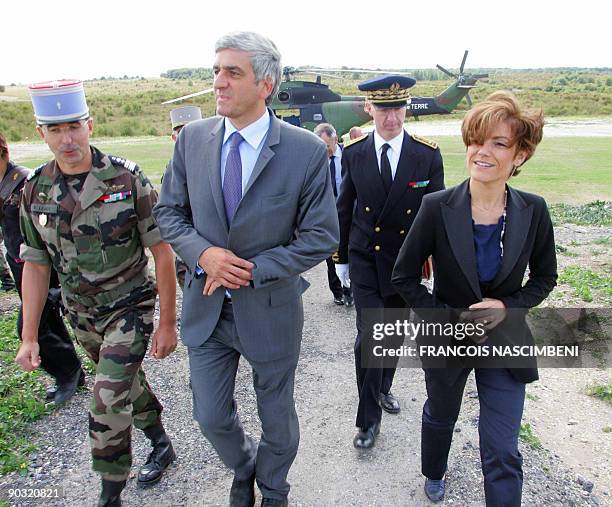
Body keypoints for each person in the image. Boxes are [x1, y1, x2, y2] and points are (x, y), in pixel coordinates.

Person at [154, 31, 339, 506]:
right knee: (209, 416)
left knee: (278, 419)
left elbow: (321, 237)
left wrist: (252, 269)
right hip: (207, 309)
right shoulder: (192, 139)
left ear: (266, 84)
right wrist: (203, 253)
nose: (218, 82)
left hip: (271, 308)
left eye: (232, 72)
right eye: (216, 70)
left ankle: (274, 488)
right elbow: (169, 213)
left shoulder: (305, 151)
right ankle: (244, 466)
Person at [15, 80, 178, 506]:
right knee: (125, 384)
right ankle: (161, 442)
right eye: (55, 129)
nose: (66, 139)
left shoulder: (125, 178)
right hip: (81, 315)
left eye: (74, 126)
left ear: (90, 124)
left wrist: (166, 323)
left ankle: (110, 495)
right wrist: (29, 336)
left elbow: (161, 252)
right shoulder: (35, 190)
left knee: (105, 399)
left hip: (130, 306)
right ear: (41, 134)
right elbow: (35, 264)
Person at [391, 91, 557, 505]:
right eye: (476, 141)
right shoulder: (436, 207)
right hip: (447, 337)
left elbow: (545, 278)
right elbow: (404, 276)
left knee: (502, 448)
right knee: (441, 415)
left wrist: (507, 307)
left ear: (520, 155)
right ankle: (434, 470)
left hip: (505, 341)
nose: (482, 152)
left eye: (498, 144)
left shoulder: (534, 210)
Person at [335, 75, 445, 449]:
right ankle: (367, 421)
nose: (391, 118)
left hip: (406, 263)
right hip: (367, 258)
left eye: (398, 109)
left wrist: (435, 261)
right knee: (369, 339)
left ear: (406, 110)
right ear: (370, 109)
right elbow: (344, 209)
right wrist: (341, 259)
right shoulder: (354, 153)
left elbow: (437, 217)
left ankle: (382, 388)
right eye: (383, 109)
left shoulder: (427, 155)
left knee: (392, 337)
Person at [1, 131, 85, 404]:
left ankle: (68, 373)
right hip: (19, 266)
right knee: (49, 322)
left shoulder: (23, 182)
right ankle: (72, 372)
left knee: (29, 326)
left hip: (43, 269)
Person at [313, 122, 353, 307]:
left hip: (350, 214)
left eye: (328, 146)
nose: (325, 151)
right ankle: (338, 292)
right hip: (327, 216)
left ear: (336, 140)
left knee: (351, 252)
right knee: (331, 255)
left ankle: (350, 289)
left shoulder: (350, 155)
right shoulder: (314, 160)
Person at [168, 105, 203, 289]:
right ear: (173, 137)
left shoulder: (219, 162)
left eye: (193, 130)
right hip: (188, 256)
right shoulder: (172, 171)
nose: (188, 138)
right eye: (181, 133)